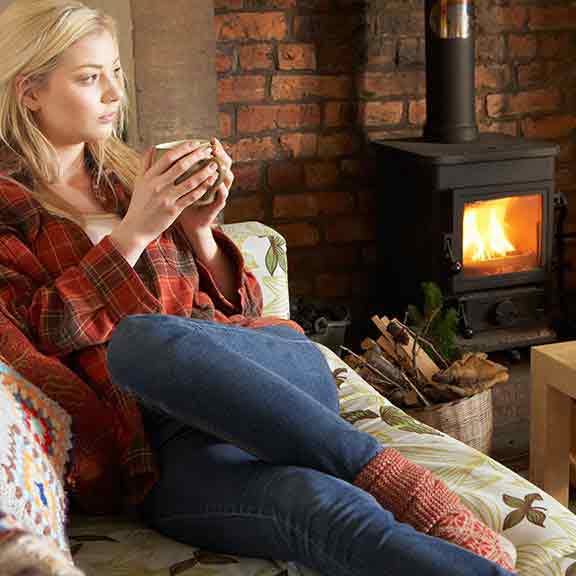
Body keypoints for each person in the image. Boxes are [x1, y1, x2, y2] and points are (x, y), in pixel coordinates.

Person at [0, 1, 516, 575]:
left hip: (269, 381)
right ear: (30, 92)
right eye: (90, 78)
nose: (115, 95)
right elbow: (39, 333)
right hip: (162, 447)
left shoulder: (130, 173)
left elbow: (243, 308)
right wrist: (137, 231)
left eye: (116, 72)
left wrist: (200, 230)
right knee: (322, 507)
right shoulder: (10, 209)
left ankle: (400, 482)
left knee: (143, 339)